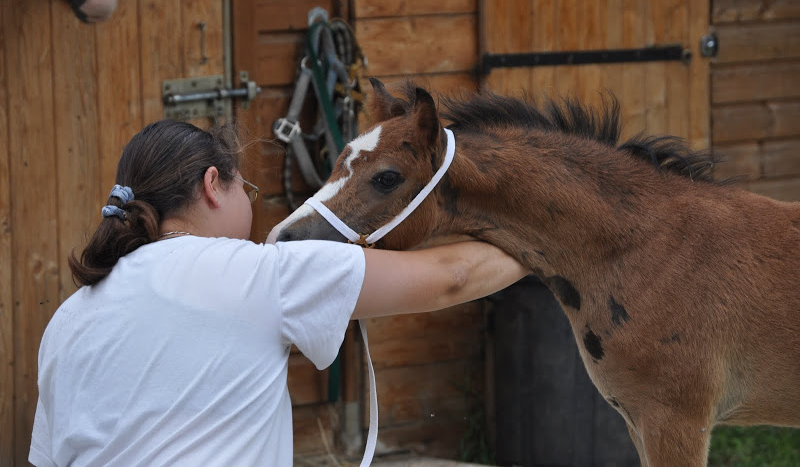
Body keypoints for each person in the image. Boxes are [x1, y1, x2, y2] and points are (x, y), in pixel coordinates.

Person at [29, 119, 528, 467]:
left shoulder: (67, 320)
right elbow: (452, 277)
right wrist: (556, 242)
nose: (251, 211)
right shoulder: (258, 274)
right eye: (245, 192)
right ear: (211, 186)